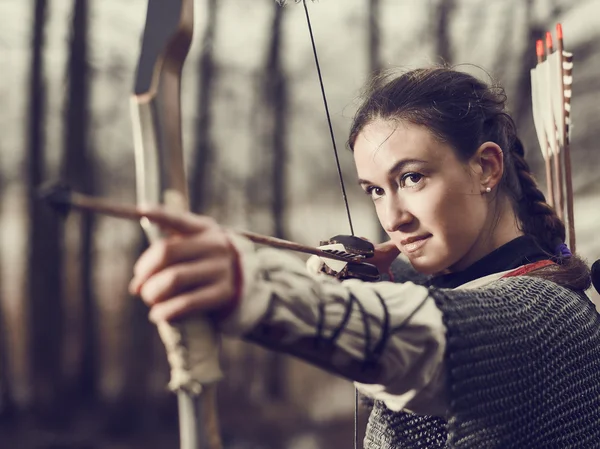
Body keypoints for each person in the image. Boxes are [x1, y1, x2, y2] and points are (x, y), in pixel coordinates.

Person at [128, 67, 600, 448]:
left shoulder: (548, 315)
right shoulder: (434, 290)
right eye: (376, 190)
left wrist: (253, 290)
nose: (393, 217)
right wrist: (376, 289)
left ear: (486, 166)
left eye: (412, 178)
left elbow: (423, 338)